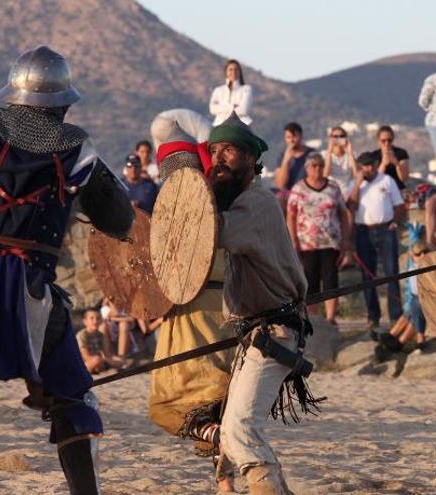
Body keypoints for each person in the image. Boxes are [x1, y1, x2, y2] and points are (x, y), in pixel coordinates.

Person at [0, 46, 134, 494]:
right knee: (72, 396)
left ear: (14, 94)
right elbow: (120, 220)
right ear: (63, 104)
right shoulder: (78, 149)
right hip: (28, 292)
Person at [208, 112, 316, 494]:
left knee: (239, 431)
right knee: (231, 428)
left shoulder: (254, 203)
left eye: (229, 151)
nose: (219, 159)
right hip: (257, 331)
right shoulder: (243, 203)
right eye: (213, 151)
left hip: (274, 332)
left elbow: (210, 233)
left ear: (251, 161)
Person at [149, 129, 239, 492]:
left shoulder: (179, 206)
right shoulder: (227, 200)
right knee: (224, 399)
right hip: (229, 308)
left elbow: (168, 268)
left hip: (190, 312)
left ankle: (216, 438)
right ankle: (225, 484)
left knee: (168, 403)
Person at [287, 152, 352, 325]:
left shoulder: (333, 187)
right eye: (314, 166)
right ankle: (314, 319)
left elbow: (343, 213)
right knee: (310, 282)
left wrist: (346, 239)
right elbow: (291, 215)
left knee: (331, 280)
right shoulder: (299, 188)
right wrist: (293, 240)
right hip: (307, 243)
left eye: (321, 165)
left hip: (330, 242)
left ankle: (331, 318)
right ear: (307, 168)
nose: (318, 169)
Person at [348, 152, 406, 332]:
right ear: (360, 167)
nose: (369, 168)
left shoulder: (387, 180)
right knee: (368, 275)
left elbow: (399, 204)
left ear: (376, 164)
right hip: (364, 230)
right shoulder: (354, 184)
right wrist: (358, 183)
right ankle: (373, 316)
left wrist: (395, 222)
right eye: (365, 165)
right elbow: (351, 206)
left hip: (385, 228)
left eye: (371, 164)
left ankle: (396, 315)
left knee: (392, 272)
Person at [274, 122, 315, 204]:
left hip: (306, 192)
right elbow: (280, 185)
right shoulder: (282, 156)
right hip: (288, 194)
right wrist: (286, 161)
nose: (291, 140)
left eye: (294, 136)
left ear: (301, 136)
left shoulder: (311, 154)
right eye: (288, 137)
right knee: (278, 197)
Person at [209, 59, 253, 126]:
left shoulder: (246, 89)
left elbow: (243, 110)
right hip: (219, 125)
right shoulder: (218, 90)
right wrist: (232, 106)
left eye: (236, 69)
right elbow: (212, 109)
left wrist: (221, 110)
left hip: (241, 125)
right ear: (226, 72)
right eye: (230, 69)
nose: (233, 72)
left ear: (240, 72)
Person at [369, 125, 410, 190]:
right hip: (380, 190)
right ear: (378, 141)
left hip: (398, 189)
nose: (386, 143)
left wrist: (397, 164)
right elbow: (374, 179)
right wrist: (383, 164)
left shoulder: (401, 153)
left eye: (389, 140)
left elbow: (404, 178)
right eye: (383, 141)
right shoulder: (374, 156)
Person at [76, 308, 114, 374]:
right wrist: (102, 360)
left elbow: (107, 354)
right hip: (84, 363)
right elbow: (85, 356)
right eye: (92, 318)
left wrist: (108, 360)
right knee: (97, 360)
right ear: (85, 321)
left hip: (99, 361)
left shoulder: (101, 335)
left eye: (98, 318)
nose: (95, 321)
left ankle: (98, 369)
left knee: (119, 361)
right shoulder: (81, 335)